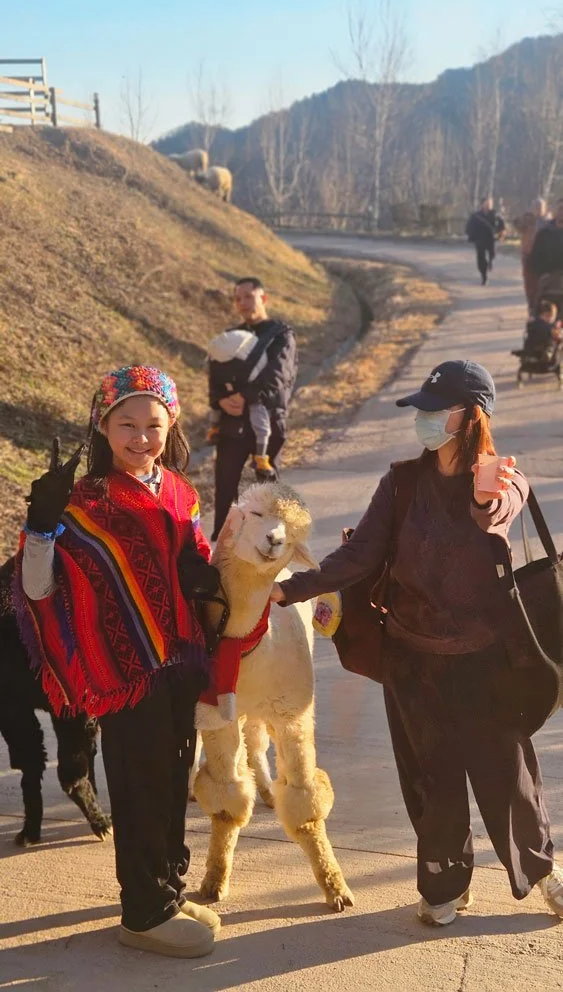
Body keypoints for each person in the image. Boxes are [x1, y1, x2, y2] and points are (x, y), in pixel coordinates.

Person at [270, 360, 563, 927]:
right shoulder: (401, 481)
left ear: (471, 415)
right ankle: (444, 884)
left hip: (486, 663)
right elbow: (360, 556)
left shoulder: (505, 478)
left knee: (508, 778)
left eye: (436, 410)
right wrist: (290, 590)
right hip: (413, 660)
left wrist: (485, 500)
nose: (425, 420)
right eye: (422, 410)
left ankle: (543, 874)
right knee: (432, 779)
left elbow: (497, 516)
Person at [16, 366, 221, 958]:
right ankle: (143, 913)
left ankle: (169, 888)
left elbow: (197, 556)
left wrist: (203, 574)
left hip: (180, 663)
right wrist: (40, 526)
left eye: (152, 425)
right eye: (126, 424)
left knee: (173, 780)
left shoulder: (180, 490)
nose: (140, 437)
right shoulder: (82, 504)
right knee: (139, 785)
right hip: (123, 674)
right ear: (102, 426)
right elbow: (36, 591)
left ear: (171, 424)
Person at [209, 276, 297, 540]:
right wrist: (219, 401)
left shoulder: (281, 335)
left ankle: (270, 543)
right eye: (238, 298)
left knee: (266, 487)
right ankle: (222, 545)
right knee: (225, 485)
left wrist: (244, 397)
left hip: (267, 422)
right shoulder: (232, 338)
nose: (243, 303)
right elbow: (215, 373)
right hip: (231, 422)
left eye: (249, 296)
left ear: (263, 298)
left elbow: (278, 375)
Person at [207, 328, 276, 480]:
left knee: (261, 424)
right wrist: (219, 400)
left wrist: (246, 395)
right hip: (228, 396)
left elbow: (264, 382)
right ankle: (214, 429)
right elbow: (214, 385)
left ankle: (261, 457)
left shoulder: (252, 356)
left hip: (254, 397)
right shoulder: (216, 359)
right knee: (216, 409)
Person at [519, 198, 552, 312]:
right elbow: (518, 226)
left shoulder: (549, 223)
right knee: (530, 285)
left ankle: (542, 308)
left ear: (545, 208)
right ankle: (532, 305)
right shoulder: (528, 221)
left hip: (544, 258)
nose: (538, 210)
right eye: (536, 207)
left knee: (543, 285)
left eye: (540, 207)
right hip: (528, 256)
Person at [465, 196, 506, 285]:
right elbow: (469, 226)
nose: (489, 205)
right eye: (487, 203)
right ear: (482, 204)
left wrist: (501, 233)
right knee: (481, 258)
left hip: (491, 239)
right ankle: (484, 277)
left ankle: (490, 261)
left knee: (492, 254)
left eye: (490, 203)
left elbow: (502, 225)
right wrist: (471, 235)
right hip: (480, 239)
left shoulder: (495, 215)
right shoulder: (476, 216)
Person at [529, 198, 563, 281]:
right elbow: (535, 258)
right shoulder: (544, 233)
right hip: (549, 281)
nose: (562, 212)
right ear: (555, 211)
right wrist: (542, 274)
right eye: (560, 209)